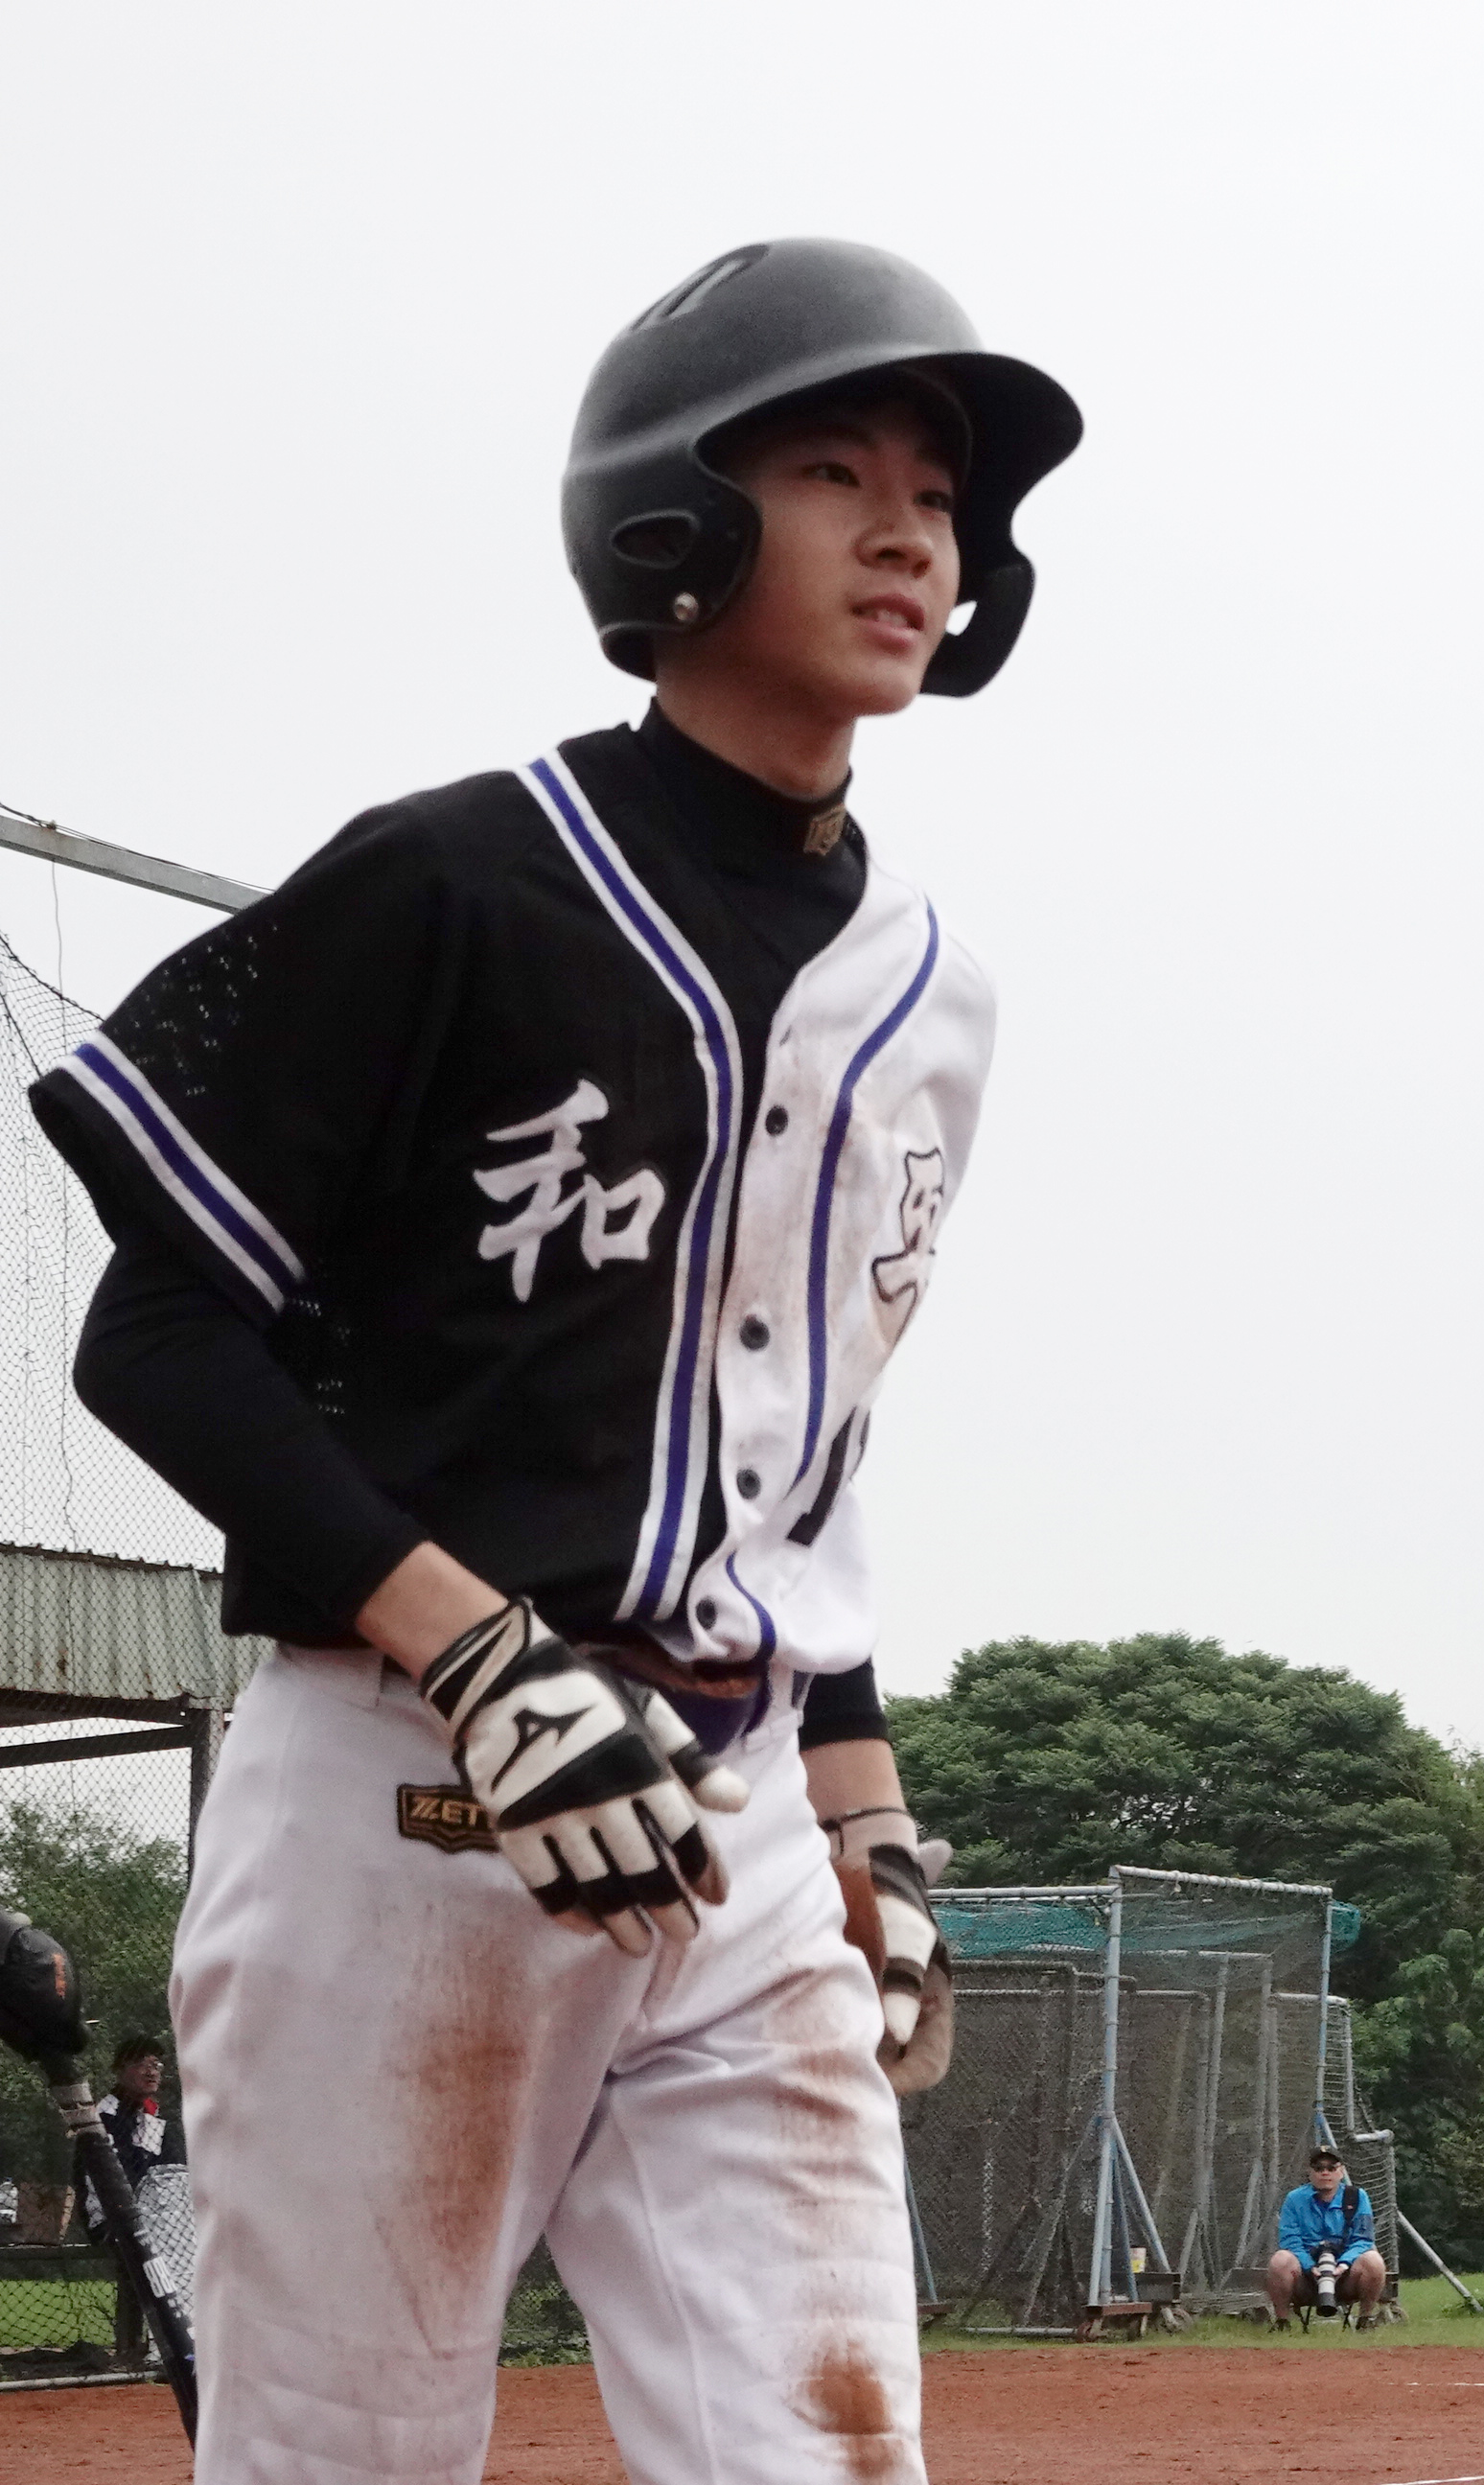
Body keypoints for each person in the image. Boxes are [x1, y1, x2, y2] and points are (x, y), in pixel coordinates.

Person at [35, 237, 1077, 2483]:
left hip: (739, 1818)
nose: (911, 533)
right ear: (670, 514)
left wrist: (866, 1810)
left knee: (827, 2452)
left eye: (941, 495)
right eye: (837, 472)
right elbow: (158, 1333)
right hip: (408, 1802)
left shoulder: (936, 996)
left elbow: (792, 1446)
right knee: (348, 2457)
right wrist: (484, 1656)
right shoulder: (453, 881)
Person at [77, 2035, 187, 2366]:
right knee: (148, 2253)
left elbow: (172, 2169)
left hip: (154, 2217)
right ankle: (148, 2348)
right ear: (121, 2069)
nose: (151, 2070)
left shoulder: (153, 2118)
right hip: (109, 2216)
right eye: (142, 2063)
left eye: (156, 2064)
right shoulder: (103, 2116)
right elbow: (116, 2177)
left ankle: (177, 2342)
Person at [1265, 2148, 1388, 2330]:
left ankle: (1365, 2320)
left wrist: (1344, 2264)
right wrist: (1309, 2266)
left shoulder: (1357, 2197)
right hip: (1306, 2275)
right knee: (1280, 2259)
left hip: (1345, 2273)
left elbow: (1364, 2238)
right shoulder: (1294, 2199)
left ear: (1341, 2171)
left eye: (1331, 2168)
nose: (1325, 2173)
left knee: (1373, 2260)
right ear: (1310, 2172)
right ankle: (1282, 2322)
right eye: (1319, 2168)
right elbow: (1289, 2240)